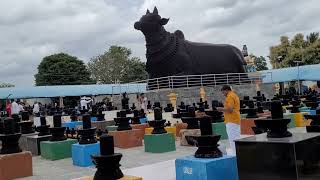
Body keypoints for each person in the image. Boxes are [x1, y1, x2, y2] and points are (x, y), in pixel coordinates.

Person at [217, 85, 241, 155]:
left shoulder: (230, 96)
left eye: (223, 92)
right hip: (235, 119)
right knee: (236, 137)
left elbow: (230, 109)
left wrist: (220, 109)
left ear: (226, 90)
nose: (223, 94)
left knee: (232, 138)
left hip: (231, 120)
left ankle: (235, 154)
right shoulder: (234, 95)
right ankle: (238, 152)